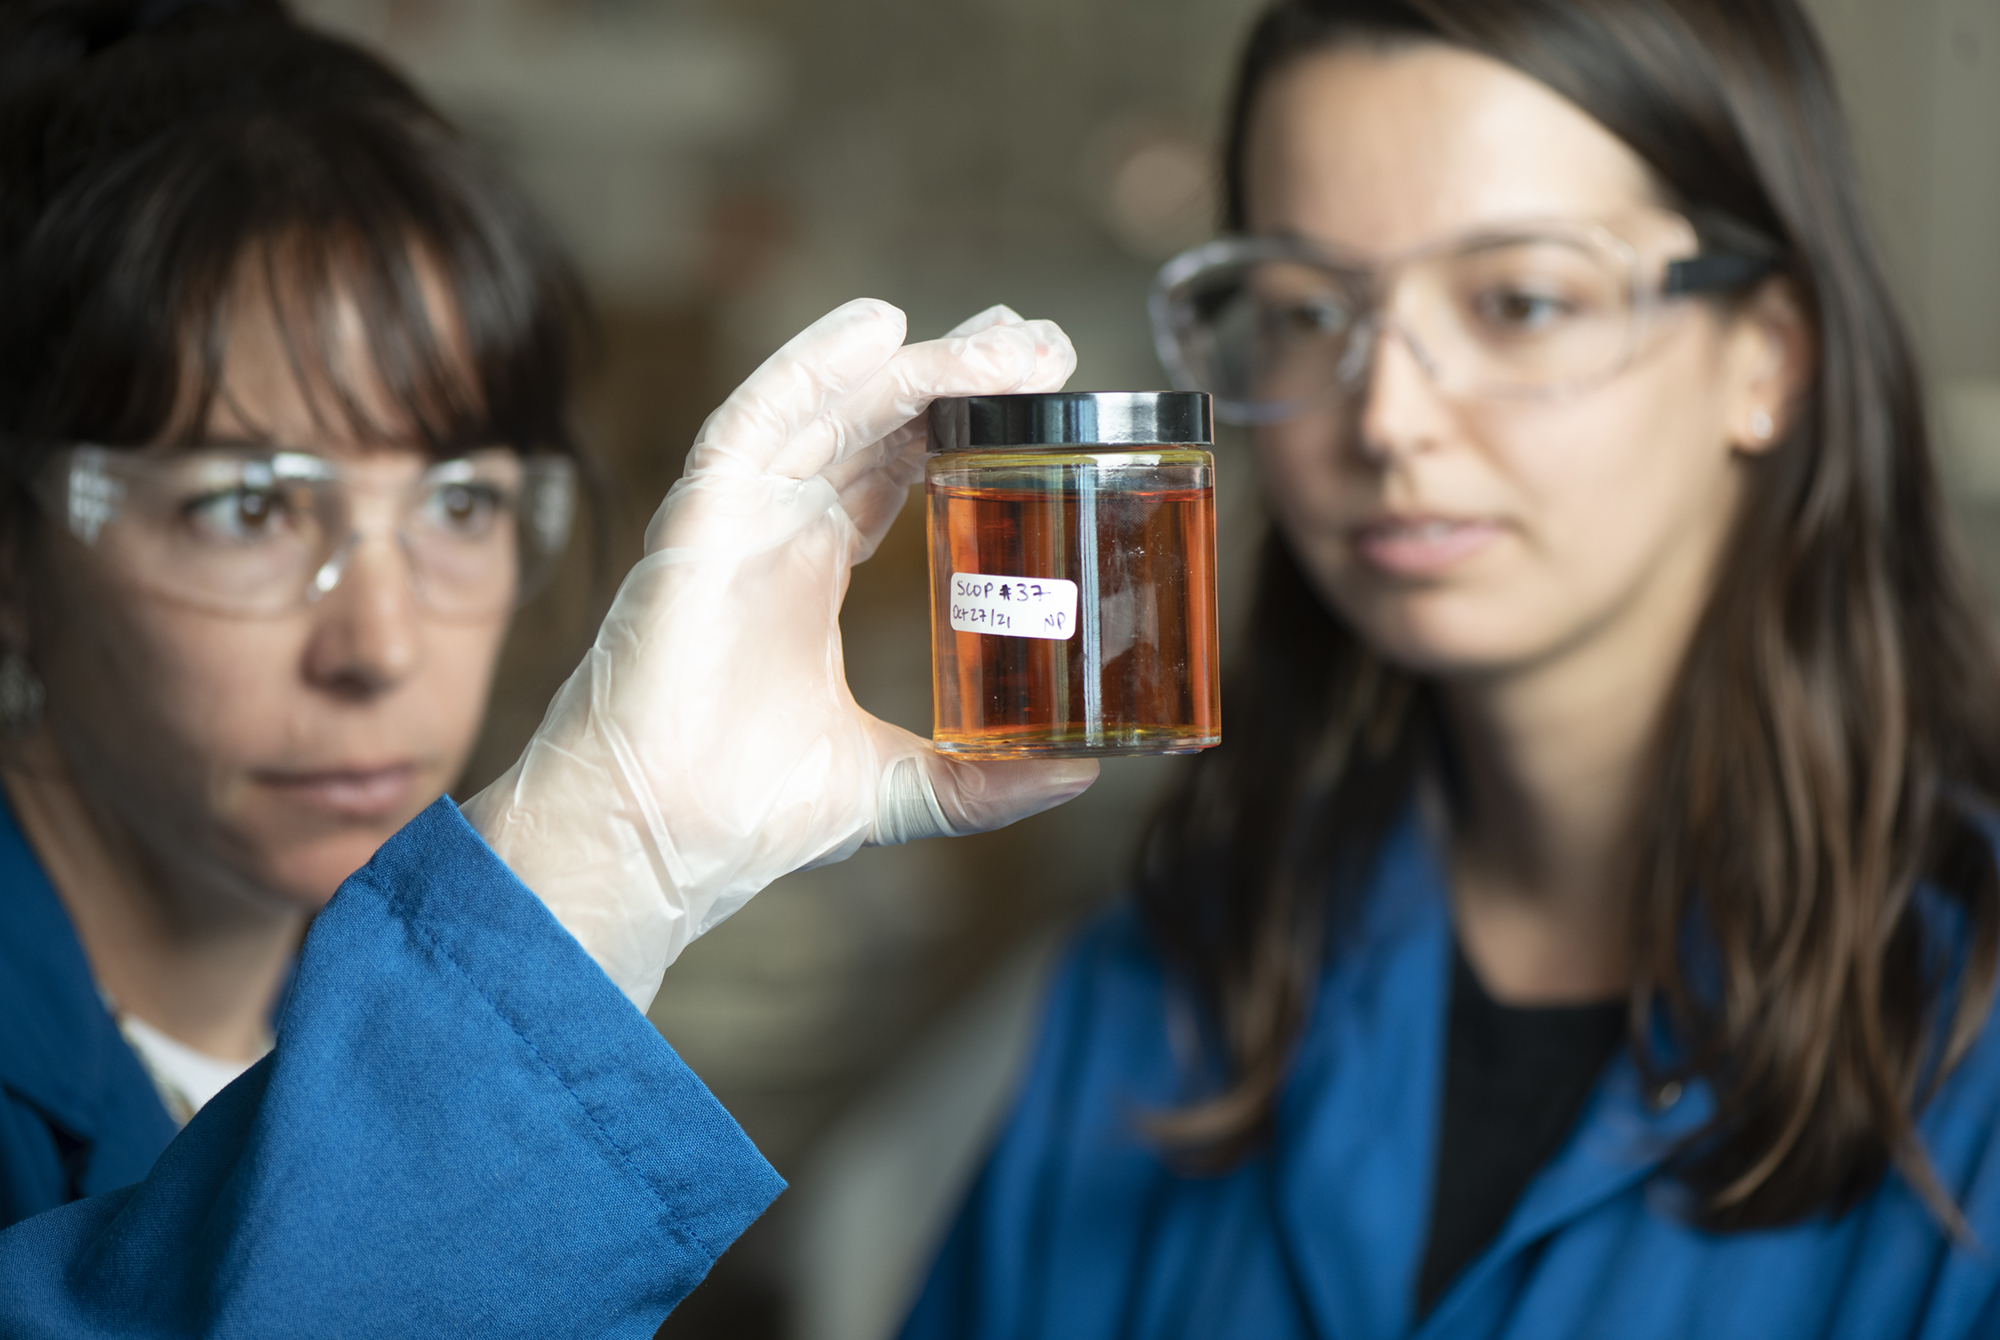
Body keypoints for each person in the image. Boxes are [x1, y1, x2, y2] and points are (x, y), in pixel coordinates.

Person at [901, 1, 2000, 1336]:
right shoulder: (1161, 985)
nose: (1387, 417)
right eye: (1308, 309)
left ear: (1767, 357)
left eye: (1519, 302)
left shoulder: (1972, 1050)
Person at [0, 1, 1093, 1332]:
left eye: (461, 505)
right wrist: (600, 862)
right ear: (18, 556)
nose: (385, 646)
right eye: (250, 507)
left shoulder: (416, 1025)